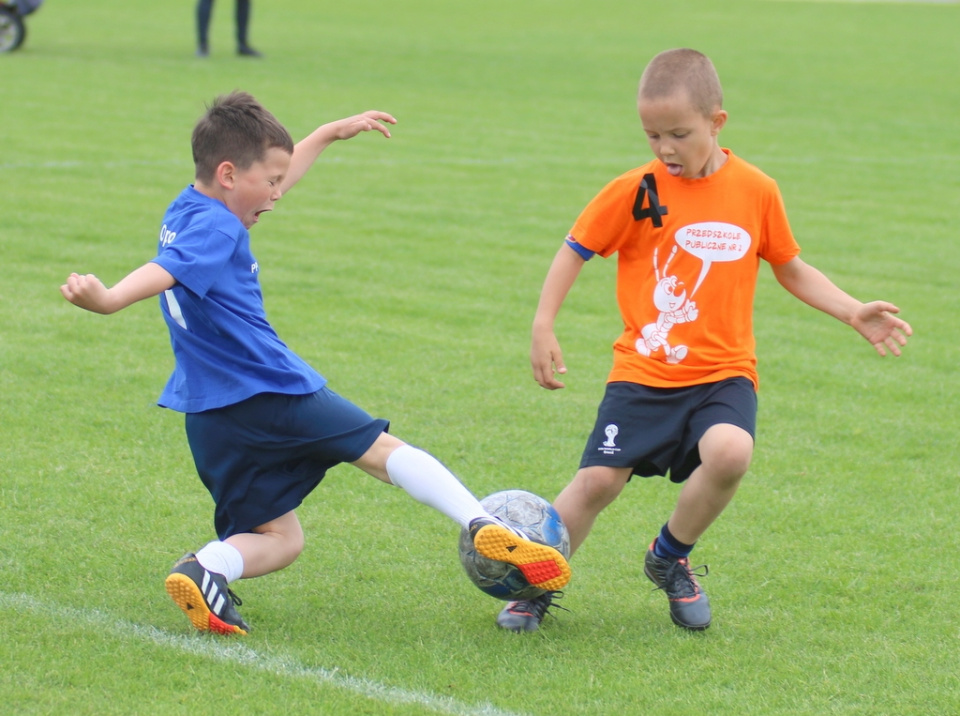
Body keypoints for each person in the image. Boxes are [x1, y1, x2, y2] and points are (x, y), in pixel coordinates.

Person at [60, 91, 571, 635]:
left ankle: (208, 567)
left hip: (208, 415)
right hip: (269, 390)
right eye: (272, 182)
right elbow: (166, 270)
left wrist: (326, 133)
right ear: (230, 174)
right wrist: (111, 298)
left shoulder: (188, 207)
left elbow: (236, 200)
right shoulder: (219, 228)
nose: (278, 195)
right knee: (381, 452)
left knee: (282, 539)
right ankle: (485, 523)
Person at [495, 48, 911, 633]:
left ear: (717, 123)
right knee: (596, 482)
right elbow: (576, 248)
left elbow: (790, 265)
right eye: (652, 135)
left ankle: (669, 556)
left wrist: (852, 311)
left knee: (730, 453)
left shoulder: (756, 190)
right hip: (644, 371)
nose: (665, 148)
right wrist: (543, 324)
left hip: (723, 372)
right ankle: (537, 583)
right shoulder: (637, 189)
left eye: (679, 134)